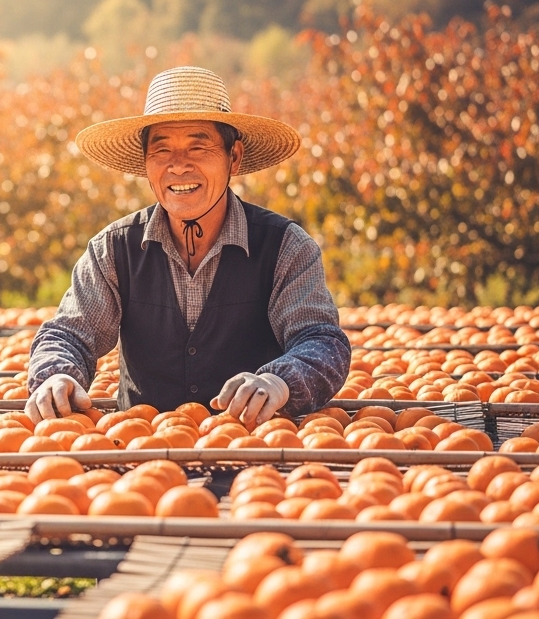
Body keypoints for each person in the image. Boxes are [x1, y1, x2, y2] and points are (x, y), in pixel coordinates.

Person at [24, 66, 349, 428]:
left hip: (255, 450)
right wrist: (57, 375)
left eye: (198, 146)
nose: (179, 165)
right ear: (146, 164)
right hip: (139, 451)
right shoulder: (114, 250)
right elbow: (69, 334)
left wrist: (280, 381)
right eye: (161, 150)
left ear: (234, 157)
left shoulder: (285, 247)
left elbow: (322, 341)